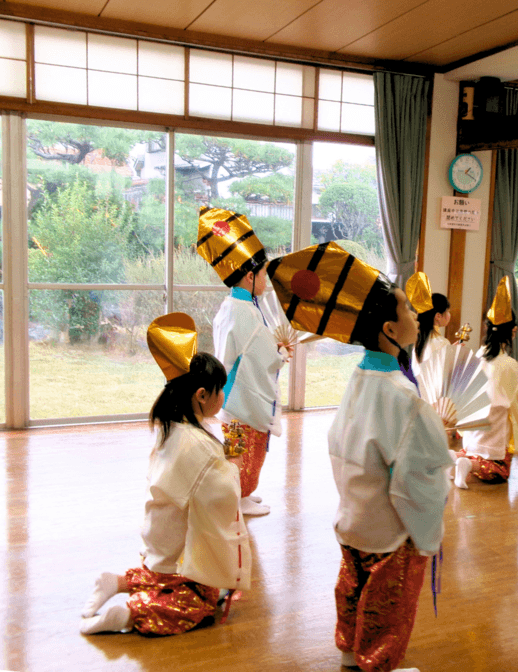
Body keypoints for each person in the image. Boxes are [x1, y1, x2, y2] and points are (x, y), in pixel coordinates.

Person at [268, 241, 451, 672]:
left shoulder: (360, 378)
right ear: (389, 329)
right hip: (389, 527)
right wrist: (441, 458)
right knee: (388, 607)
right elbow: (418, 478)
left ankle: (352, 653)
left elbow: (347, 443)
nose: (414, 317)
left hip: (353, 517)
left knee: (353, 588)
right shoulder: (405, 398)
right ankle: (379, 661)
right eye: (407, 310)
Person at [80, 313, 251, 636]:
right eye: (220, 390)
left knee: (159, 575)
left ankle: (116, 582)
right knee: (200, 602)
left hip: (157, 541)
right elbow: (224, 497)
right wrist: (235, 463)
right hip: (178, 551)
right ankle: (131, 614)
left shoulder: (171, 427)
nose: (222, 396)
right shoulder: (200, 445)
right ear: (201, 395)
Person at [198, 207, 288, 517]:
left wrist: (271, 349)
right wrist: (281, 354)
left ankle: (240, 494)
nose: (265, 281)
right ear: (250, 275)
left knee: (236, 448)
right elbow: (262, 354)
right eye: (263, 274)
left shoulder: (232, 305)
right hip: (244, 399)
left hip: (231, 394)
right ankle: (238, 496)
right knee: (246, 453)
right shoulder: (246, 312)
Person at [455, 277, 518, 489]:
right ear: (513, 331)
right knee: (500, 472)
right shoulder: (507, 363)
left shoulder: (479, 354)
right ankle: (469, 465)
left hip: (473, 422)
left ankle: (454, 459)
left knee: (471, 449)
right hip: (493, 425)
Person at [406, 271, 451, 368]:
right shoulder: (442, 343)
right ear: (438, 316)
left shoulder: (417, 340)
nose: (449, 315)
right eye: (447, 311)